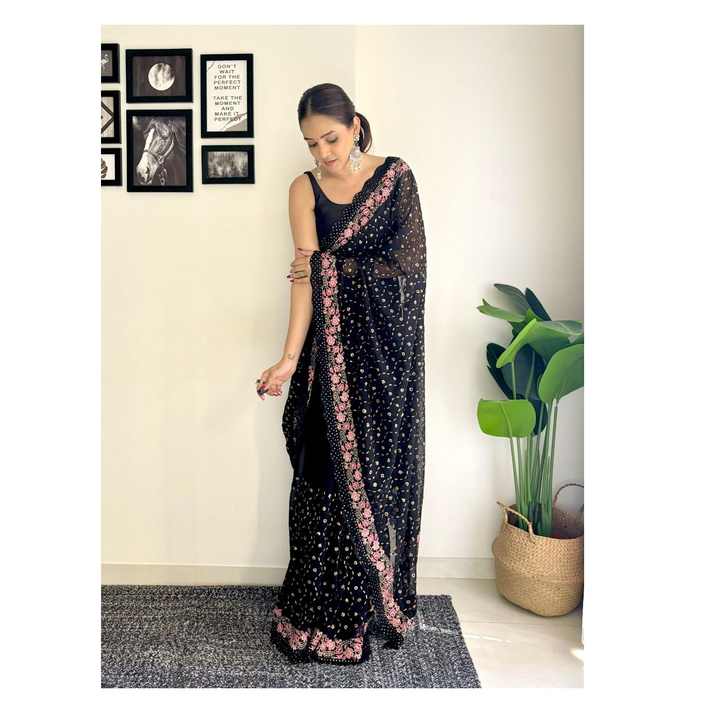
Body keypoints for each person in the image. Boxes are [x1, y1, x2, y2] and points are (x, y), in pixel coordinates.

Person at [256, 83, 427, 665]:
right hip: (325, 362)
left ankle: (357, 614)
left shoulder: (396, 178)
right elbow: (304, 283)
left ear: (355, 125)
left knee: (371, 485)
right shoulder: (302, 190)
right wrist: (288, 359)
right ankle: (311, 613)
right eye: (311, 144)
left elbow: (408, 267)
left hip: (383, 361)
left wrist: (332, 267)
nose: (323, 153)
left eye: (330, 138)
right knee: (320, 482)